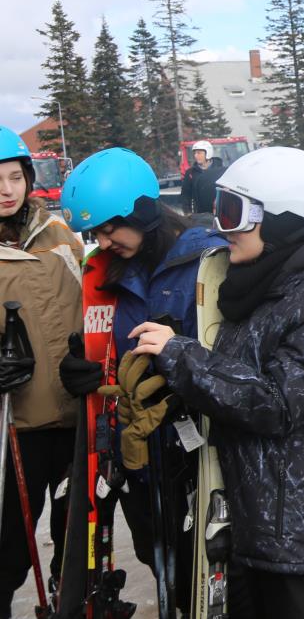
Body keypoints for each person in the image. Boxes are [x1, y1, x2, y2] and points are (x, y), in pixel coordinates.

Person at [131, 146, 304, 618]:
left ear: (286, 220)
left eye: (234, 213)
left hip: (302, 535)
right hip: (254, 520)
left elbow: (279, 403)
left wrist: (184, 358)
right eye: (220, 209)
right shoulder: (261, 287)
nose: (224, 228)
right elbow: (237, 379)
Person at [58, 147, 226, 610]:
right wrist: (88, 371)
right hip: (136, 446)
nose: (103, 241)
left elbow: (228, 350)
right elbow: (108, 343)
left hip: (194, 443)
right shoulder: (111, 272)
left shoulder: (207, 260)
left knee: (203, 564)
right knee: (159, 558)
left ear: (145, 211)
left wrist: (179, 354)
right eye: (96, 232)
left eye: (110, 229)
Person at [0, 126, 83, 619]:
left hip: (74, 414)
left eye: (14, 177)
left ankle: (67, 601)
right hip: (16, 424)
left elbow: (95, 301)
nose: (6, 190)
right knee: (9, 545)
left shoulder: (59, 235)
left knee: (77, 540)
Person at [180, 140, 225, 215]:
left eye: (199, 153)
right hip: (200, 215)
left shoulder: (221, 170)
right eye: (195, 153)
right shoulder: (191, 173)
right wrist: (187, 212)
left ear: (208, 153)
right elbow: (185, 195)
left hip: (220, 213)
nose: (196, 156)